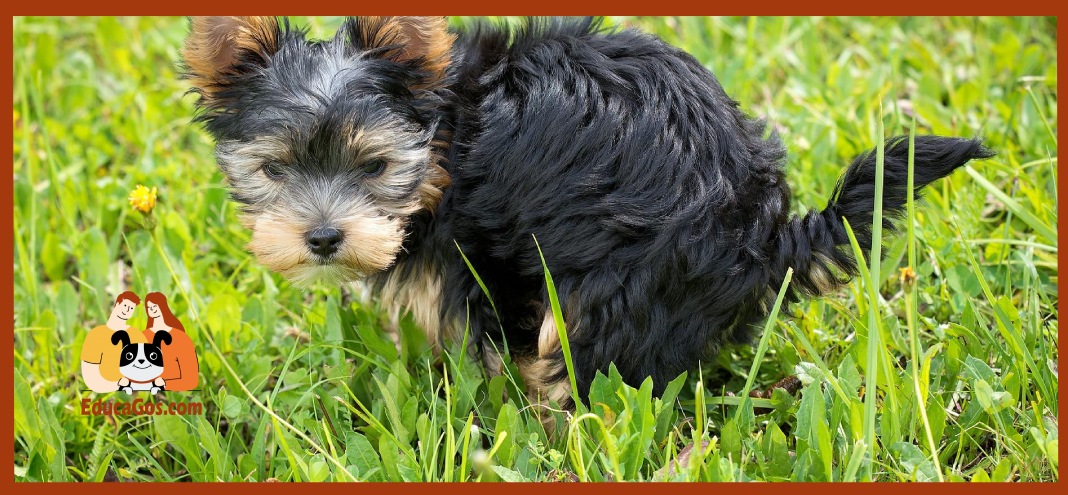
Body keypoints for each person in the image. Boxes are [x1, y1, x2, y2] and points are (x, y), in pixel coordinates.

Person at [81, 291, 147, 392]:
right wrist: (119, 385)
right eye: (125, 305)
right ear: (117, 304)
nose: (127, 310)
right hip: (105, 394)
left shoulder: (135, 335)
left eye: (131, 309)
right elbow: (91, 378)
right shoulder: (96, 335)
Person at [141, 292, 199, 391]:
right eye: (149, 308)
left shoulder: (180, 337)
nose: (152, 310)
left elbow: (190, 378)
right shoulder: (144, 337)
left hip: (177, 391)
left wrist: (164, 383)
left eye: (155, 306)